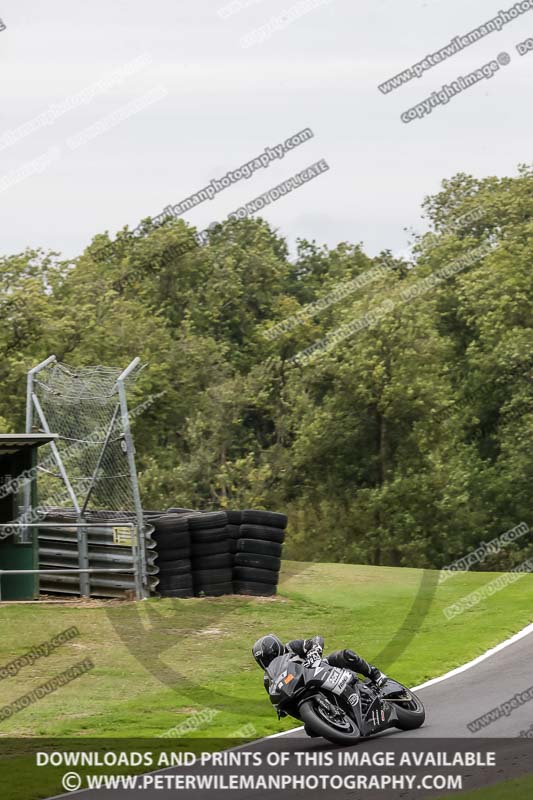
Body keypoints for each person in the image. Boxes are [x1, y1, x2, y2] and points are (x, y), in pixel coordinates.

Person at [252, 633, 387, 686]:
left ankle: (374, 674)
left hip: (320, 668)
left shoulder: (292, 647)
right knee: (311, 729)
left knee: (345, 655)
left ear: (277, 649)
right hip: (303, 690)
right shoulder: (268, 679)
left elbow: (316, 640)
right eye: (263, 661)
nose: (267, 663)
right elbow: (276, 699)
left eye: (268, 657)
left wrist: (314, 653)